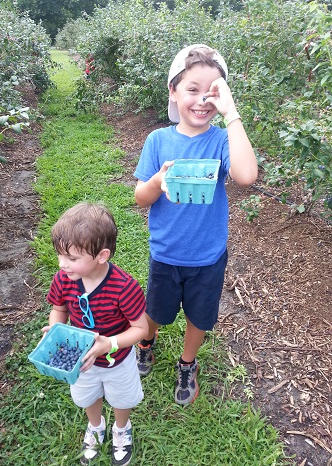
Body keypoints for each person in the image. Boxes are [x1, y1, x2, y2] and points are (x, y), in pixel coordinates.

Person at [133, 44, 258, 406]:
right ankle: (146, 341)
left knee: (199, 316)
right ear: (173, 91)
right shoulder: (158, 140)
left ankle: (187, 364)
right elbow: (141, 197)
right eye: (192, 89)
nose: (202, 100)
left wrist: (231, 112)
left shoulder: (220, 141)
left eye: (213, 91)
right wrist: (157, 181)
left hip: (207, 255)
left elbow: (246, 175)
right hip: (167, 252)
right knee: (156, 308)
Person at [43, 202, 148, 465]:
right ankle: (96, 425)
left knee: (121, 398)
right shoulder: (63, 280)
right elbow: (59, 309)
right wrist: (56, 328)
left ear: (102, 256)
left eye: (72, 258)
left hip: (117, 359)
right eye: (60, 255)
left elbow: (141, 329)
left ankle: (121, 429)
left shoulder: (124, 288)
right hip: (83, 361)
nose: (62, 264)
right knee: (88, 396)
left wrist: (108, 343)